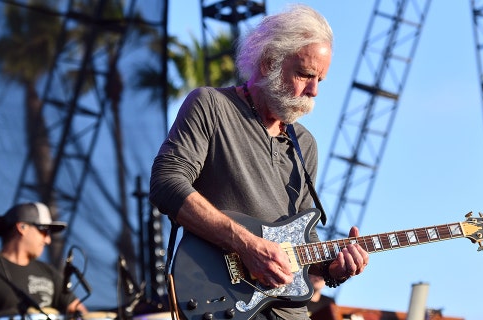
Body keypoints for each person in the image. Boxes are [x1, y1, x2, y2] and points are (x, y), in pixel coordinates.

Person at [149, 4, 369, 320]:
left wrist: (333, 267)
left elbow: (301, 240)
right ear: (268, 64)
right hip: (219, 302)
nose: (314, 91)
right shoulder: (211, 105)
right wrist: (247, 246)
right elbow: (166, 183)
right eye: (306, 75)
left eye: (320, 79)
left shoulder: (305, 144)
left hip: (288, 312)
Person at [0, 202, 88, 319]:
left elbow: (79, 311)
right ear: (22, 227)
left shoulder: (49, 272)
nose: (48, 240)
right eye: (44, 231)